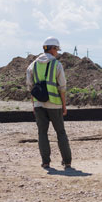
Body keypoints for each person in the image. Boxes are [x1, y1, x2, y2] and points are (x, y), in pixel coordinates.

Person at [26, 36, 72, 170]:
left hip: (39, 104)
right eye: (57, 49)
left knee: (42, 133)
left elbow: (30, 87)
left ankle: (45, 162)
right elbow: (62, 87)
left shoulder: (32, 65)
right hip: (55, 104)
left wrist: (34, 104)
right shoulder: (57, 65)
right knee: (61, 133)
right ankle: (67, 161)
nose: (57, 52)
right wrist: (64, 105)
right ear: (52, 49)